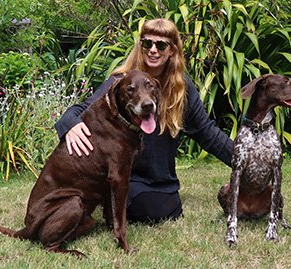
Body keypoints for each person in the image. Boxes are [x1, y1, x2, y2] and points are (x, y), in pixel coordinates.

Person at [54, 18, 233, 223]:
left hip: (160, 178)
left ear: (172, 50)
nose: (153, 50)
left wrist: (244, 160)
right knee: (153, 210)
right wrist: (70, 124)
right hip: (126, 175)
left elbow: (207, 133)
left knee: (167, 209)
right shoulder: (121, 82)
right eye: (147, 43)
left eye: (161, 45)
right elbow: (82, 109)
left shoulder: (180, 89)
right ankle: (111, 198)